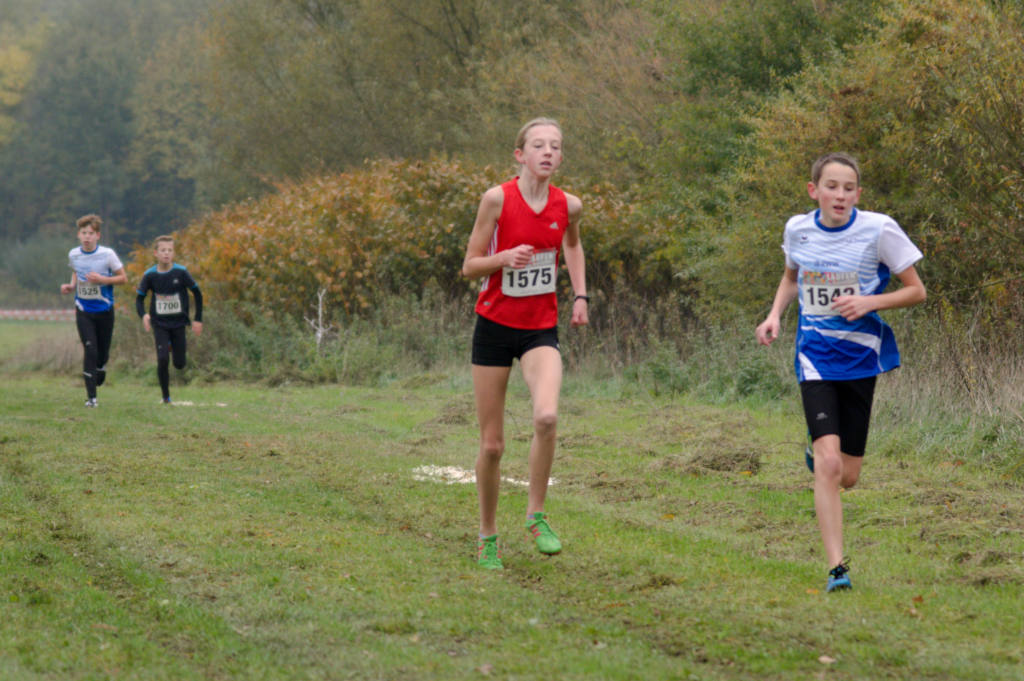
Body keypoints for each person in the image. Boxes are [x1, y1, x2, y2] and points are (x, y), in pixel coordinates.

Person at [755, 152, 926, 592]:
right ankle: (837, 569)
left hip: (860, 361)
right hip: (814, 359)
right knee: (829, 467)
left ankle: (820, 458)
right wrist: (775, 314)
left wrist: (869, 302)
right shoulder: (798, 229)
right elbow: (791, 277)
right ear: (814, 190)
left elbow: (916, 291)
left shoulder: (878, 229)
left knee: (848, 475)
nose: (840, 195)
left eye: (849, 188)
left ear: (858, 194)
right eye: (832, 186)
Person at [461, 117, 589, 570]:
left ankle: (536, 515)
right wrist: (502, 258)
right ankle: (487, 535)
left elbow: (572, 246)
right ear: (520, 154)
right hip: (493, 326)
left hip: (540, 329)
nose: (548, 152)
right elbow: (469, 265)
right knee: (492, 445)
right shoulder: (497, 199)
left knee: (547, 416)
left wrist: (580, 295)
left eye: (556, 145)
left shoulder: (568, 205)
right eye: (539, 145)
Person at [60, 214, 128, 407]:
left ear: (97, 235)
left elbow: (123, 278)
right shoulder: (73, 254)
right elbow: (76, 272)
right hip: (83, 310)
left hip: (105, 310)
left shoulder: (107, 255)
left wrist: (103, 280)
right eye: (83, 233)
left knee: (102, 353)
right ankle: (92, 398)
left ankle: (101, 366)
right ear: (78, 235)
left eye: (91, 233)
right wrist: (71, 287)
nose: (87, 237)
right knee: (90, 348)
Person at [135, 235, 203, 404]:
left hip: (179, 323)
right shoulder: (150, 275)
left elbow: (198, 293)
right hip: (160, 324)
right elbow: (139, 299)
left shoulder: (181, 272)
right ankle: (166, 397)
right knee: (163, 358)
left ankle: (172, 346)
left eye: (170, 250)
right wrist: (143, 315)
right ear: (156, 253)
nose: (166, 253)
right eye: (163, 250)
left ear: (173, 253)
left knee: (179, 364)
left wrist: (197, 319)